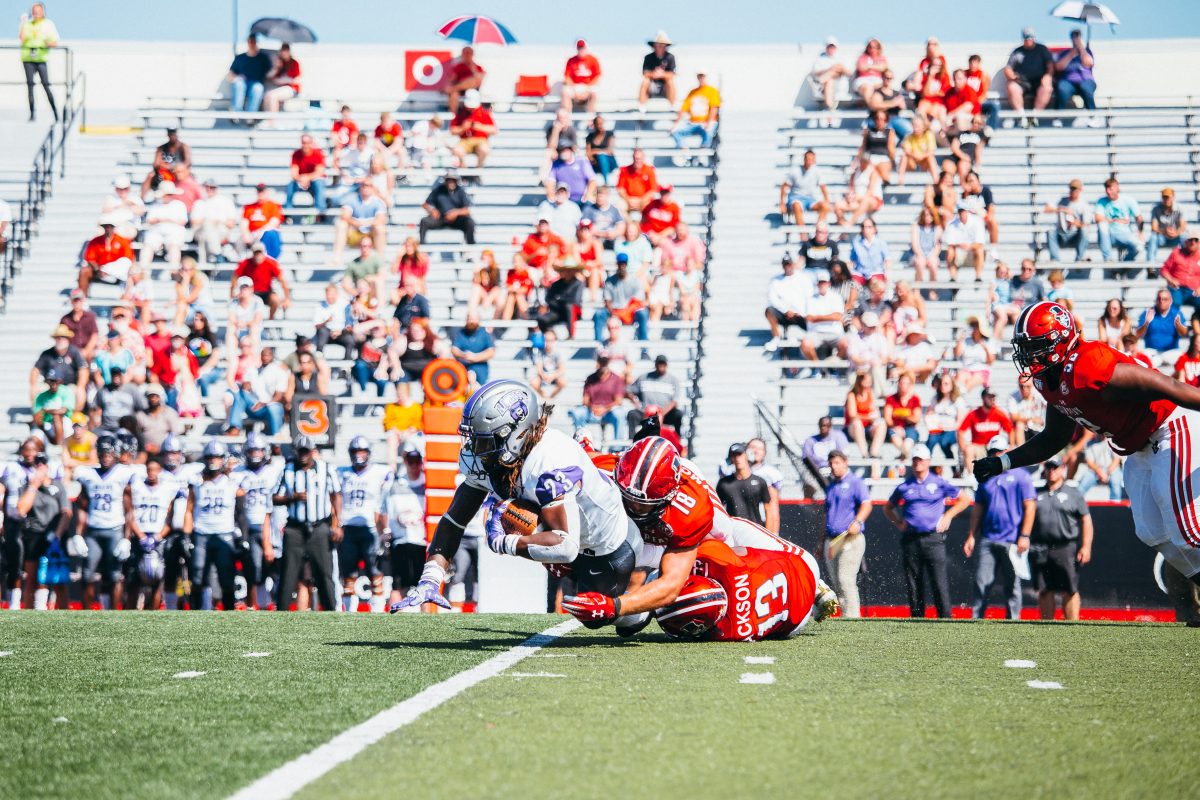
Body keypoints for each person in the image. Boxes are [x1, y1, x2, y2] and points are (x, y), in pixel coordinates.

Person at [972, 299, 1200, 587]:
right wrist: (1003, 461)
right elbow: (1055, 437)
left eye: (1035, 346)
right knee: (1152, 532)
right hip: (1138, 446)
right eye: (1025, 347)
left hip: (1170, 427)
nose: (1028, 355)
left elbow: (1167, 385)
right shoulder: (1048, 379)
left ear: (1058, 340)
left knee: (1189, 531)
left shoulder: (1089, 364)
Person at [390, 380, 642, 620]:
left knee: (603, 618)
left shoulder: (549, 461)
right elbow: (454, 519)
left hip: (605, 545)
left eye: (483, 439)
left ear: (516, 433)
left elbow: (565, 546)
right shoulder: (493, 460)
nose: (474, 449)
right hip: (564, 540)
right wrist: (431, 578)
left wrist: (504, 543)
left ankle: (648, 606)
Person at [884, 444, 970, 619]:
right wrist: (899, 523)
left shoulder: (938, 482)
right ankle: (917, 619)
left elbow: (964, 499)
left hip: (933, 538)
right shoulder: (905, 486)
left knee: (939, 582)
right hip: (911, 539)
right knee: (914, 582)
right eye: (915, 460)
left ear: (928, 461)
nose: (917, 463)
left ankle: (944, 618)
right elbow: (888, 508)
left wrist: (948, 516)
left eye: (921, 460)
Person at [965, 434, 1034, 620]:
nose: (996, 455)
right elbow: (978, 508)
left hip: (1012, 539)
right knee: (981, 583)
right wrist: (971, 535)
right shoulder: (985, 477)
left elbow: (1030, 506)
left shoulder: (1021, 475)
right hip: (989, 538)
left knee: (1012, 585)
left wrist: (1025, 535)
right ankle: (976, 620)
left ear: (1007, 451)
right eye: (993, 452)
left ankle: (1013, 621)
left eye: (999, 451)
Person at [271, 435, 341, 611]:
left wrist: (337, 524)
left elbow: (336, 495)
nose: (303, 455)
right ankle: (281, 614)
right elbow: (274, 497)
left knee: (325, 573)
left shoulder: (326, 469)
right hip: (295, 529)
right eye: (300, 451)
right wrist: (291, 498)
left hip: (319, 527)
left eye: (306, 451)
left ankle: (331, 614)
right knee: (288, 574)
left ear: (312, 452)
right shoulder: (288, 470)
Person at [74, 435, 137, 610]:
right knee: (87, 575)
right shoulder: (88, 475)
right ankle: (87, 615)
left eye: (109, 454)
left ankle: (112, 614)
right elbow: (82, 506)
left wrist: (126, 538)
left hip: (115, 529)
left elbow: (129, 510)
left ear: (116, 454)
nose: (105, 457)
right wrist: (78, 534)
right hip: (93, 530)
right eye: (102, 454)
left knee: (114, 576)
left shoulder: (123, 474)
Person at [1028, 459, 1093, 620]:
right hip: (1040, 546)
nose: (1051, 471)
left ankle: (1072, 626)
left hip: (1065, 546)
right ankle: (1047, 626)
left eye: (1055, 467)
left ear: (1063, 469)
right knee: (1044, 589)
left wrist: (1086, 546)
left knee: (1069, 589)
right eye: (1048, 467)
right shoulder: (1035, 492)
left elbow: (1086, 520)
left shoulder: (1074, 493)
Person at [335, 437, 392, 614]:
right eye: (356, 451)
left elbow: (385, 498)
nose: (359, 455)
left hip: (370, 528)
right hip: (348, 526)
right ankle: (350, 611)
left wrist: (384, 529)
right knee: (349, 573)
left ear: (368, 453)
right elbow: (334, 498)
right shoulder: (341, 472)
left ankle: (377, 610)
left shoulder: (380, 472)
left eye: (362, 451)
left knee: (374, 570)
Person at [822, 450, 869, 617]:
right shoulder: (831, 486)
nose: (834, 467)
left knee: (845, 579)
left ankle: (853, 617)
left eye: (837, 463)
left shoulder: (856, 482)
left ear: (845, 462)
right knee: (836, 582)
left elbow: (866, 504)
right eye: (831, 463)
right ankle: (845, 617)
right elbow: (826, 515)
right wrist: (821, 542)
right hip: (831, 539)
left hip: (850, 538)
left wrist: (857, 521)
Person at [569, 354, 626, 440]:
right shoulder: (590, 378)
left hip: (609, 412)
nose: (603, 365)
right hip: (592, 411)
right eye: (601, 362)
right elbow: (585, 400)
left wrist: (604, 409)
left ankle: (617, 447)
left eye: (605, 363)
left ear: (608, 363)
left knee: (619, 414)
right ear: (598, 363)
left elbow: (618, 401)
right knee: (578, 413)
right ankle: (581, 442)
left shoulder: (616, 379)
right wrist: (594, 408)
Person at [715, 443, 773, 529]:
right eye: (734, 456)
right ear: (731, 459)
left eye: (740, 454)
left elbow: (768, 510)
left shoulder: (760, 482)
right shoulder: (724, 483)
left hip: (756, 531)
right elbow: (717, 510)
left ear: (747, 455)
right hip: (734, 531)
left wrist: (769, 536)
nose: (737, 458)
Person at [958, 388, 1013, 476]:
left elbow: (1010, 430)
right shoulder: (974, 414)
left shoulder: (999, 413)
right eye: (989, 397)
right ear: (983, 398)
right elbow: (961, 431)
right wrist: (963, 448)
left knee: (1003, 451)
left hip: (994, 447)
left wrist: (1011, 445)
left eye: (993, 397)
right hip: (978, 446)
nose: (992, 399)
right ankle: (972, 476)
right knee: (969, 449)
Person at [1004, 27, 1054, 124]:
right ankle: (1022, 117)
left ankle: (1034, 117)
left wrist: (1048, 76)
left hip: (1039, 82)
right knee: (1011, 86)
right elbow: (1008, 68)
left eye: (1031, 37)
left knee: (1047, 88)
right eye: (1026, 37)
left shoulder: (1042, 49)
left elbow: (1050, 66)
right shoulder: (1017, 51)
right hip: (1022, 82)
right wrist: (1012, 77)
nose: (1029, 40)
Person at [18, 3, 58, 122]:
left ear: (43, 12)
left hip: (41, 59)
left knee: (46, 85)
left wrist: (42, 44)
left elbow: (54, 42)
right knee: (30, 86)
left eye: (38, 11)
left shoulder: (48, 24)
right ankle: (32, 115)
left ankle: (56, 115)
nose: (35, 13)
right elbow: (22, 38)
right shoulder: (28, 24)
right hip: (28, 59)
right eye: (33, 11)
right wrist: (23, 22)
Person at [234, 242, 290, 320]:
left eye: (260, 253)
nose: (258, 256)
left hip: (266, 293)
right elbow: (234, 278)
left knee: (275, 299)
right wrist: (232, 294)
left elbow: (282, 280)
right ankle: (248, 321)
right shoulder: (245, 263)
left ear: (263, 253)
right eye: (256, 253)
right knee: (242, 299)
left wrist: (287, 299)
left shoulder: (270, 263)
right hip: (251, 293)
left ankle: (271, 319)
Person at [1094, 178, 1144, 265]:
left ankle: (1123, 265)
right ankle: (1108, 260)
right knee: (1102, 225)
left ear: (1117, 188)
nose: (1108, 192)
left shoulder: (1128, 200)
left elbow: (1139, 218)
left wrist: (1140, 232)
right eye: (1106, 189)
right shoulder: (1101, 201)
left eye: (1111, 189)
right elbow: (1097, 218)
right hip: (1109, 236)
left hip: (1125, 234)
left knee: (1140, 246)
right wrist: (1111, 220)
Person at [419, 171, 474, 245]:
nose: (451, 182)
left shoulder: (460, 191)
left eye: (453, 180)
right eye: (448, 180)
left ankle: (471, 246)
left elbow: (467, 210)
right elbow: (424, 204)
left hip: (456, 220)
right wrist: (432, 210)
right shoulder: (438, 190)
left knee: (469, 222)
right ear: (445, 181)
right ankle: (422, 247)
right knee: (424, 221)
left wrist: (455, 213)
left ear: (456, 181)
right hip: (440, 218)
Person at [779, 149, 831, 227]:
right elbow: (784, 186)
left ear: (814, 160)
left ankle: (817, 230)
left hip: (810, 199)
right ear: (804, 159)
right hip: (795, 198)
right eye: (808, 159)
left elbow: (823, 188)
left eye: (811, 159)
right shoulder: (795, 171)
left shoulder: (817, 171)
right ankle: (803, 235)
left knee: (825, 206)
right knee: (796, 206)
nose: (809, 161)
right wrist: (782, 204)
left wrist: (827, 201)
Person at [1136, 289, 1188, 366]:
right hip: (1152, 351)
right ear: (1156, 300)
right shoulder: (1148, 313)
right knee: (1143, 357)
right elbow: (1138, 334)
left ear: (1170, 301)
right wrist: (1146, 323)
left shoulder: (1177, 313)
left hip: (1171, 352)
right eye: (1159, 299)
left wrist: (1178, 325)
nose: (1161, 301)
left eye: (1165, 299)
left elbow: (1184, 334)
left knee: (1183, 358)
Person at [1043, 179, 1090, 262]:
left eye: (1075, 189)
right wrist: (1060, 209)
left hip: (1074, 235)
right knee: (1050, 232)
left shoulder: (1084, 205)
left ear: (1080, 190)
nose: (1073, 191)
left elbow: (1086, 225)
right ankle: (1055, 261)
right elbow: (1046, 209)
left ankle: (1079, 259)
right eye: (1072, 189)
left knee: (1085, 231)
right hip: (1061, 234)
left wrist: (1074, 221)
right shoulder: (1063, 200)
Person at [671, 72, 720, 151]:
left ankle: (702, 151)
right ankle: (685, 152)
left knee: (708, 131)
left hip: (706, 122)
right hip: (693, 123)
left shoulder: (712, 91)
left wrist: (708, 122)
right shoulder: (692, 92)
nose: (701, 78)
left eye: (703, 76)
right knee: (676, 131)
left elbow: (714, 107)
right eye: (700, 76)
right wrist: (676, 123)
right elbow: (683, 109)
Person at [1055, 29, 1097, 117]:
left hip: (1085, 80)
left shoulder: (1087, 52)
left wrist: (1081, 48)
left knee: (1086, 88)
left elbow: (1088, 63)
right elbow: (1058, 67)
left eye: (1077, 36)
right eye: (1074, 37)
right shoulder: (1065, 53)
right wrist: (1072, 53)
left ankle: (1093, 116)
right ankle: (1058, 117)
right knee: (1062, 87)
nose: (1076, 39)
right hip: (1069, 81)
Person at [450, 89, 496, 170]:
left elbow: (494, 130)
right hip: (465, 141)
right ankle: (465, 171)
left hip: (480, 140)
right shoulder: (461, 112)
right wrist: (463, 128)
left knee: (484, 149)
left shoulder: (484, 111)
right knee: (457, 150)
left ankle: (478, 170)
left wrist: (480, 127)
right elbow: (452, 130)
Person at [228, 33, 271, 116]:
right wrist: (237, 78)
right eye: (250, 41)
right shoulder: (240, 58)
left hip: (255, 83)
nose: (252, 44)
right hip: (242, 83)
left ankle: (250, 116)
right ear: (247, 42)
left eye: (254, 42)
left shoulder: (263, 58)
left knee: (257, 88)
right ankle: (236, 113)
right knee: (239, 84)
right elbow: (230, 74)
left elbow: (270, 73)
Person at [452, 311, 496, 387]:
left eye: (474, 319)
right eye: (469, 319)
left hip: (480, 368)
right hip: (463, 368)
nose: (471, 321)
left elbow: (491, 352)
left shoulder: (484, 333)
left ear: (479, 320)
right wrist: (464, 355)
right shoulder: (461, 333)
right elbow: (454, 349)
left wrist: (475, 357)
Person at [1163, 235, 1200, 314]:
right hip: (1178, 288)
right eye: (1190, 240)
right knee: (1175, 302)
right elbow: (1164, 270)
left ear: (1199, 243)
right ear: (1186, 242)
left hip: (1194, 290)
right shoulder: (1176, 253)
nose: (1193, 242)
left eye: (1196, 240)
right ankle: (1176, 324)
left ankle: (1196, 322)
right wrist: (1171, 280)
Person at [1150, 187, 1187, 265]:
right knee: (1153, 237)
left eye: (1168, 197)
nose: (1166, 199)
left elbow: (1183, 227)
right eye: (1164, 197)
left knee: (1184, 236)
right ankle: (1151, 266)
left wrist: (1175, 233)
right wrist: (1164, 231)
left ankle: (1187, 263)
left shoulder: (1180, 208)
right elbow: (1154, 228)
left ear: (1173, 197)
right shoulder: (1156, 209)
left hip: (1175, 237)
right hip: (1162, 237)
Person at [639, 31, 676, 108]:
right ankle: (642, 107)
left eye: (662, 45)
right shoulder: (648, 57)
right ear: (654, 46)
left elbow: (672, 74)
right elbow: (645, 73)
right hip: (652, 86)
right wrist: (654, 74)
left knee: (670, 82)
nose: (659, 47)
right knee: (645, 81)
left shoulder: (670, 57)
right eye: (658, 45)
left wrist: (662, 74)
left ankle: (672, 107)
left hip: (665, 87)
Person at [262, 43, 301, 114]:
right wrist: (276, 68)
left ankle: (272, 121)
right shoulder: (280, 64)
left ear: (289, 51)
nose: (284, 53)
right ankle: (267, 118)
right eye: (282, 50)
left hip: (292, 89)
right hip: (280, 89)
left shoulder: (294, 63)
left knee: (273, 96)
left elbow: (297, 80)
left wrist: (285, 80)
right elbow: (269, 77)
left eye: (286, 50)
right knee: (267, 95)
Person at [444, 46, 484, 115]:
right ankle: (454, 117)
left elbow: (478, 81)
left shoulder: (477, 67)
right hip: (460, 90)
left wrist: (473, 69)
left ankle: (452, 89)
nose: (467, 55)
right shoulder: (459, 66)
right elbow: (452, 79)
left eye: (469, 53)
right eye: (465, 53)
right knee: (454, 94)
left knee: (471, 81)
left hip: (472, 89)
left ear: (472, 54)